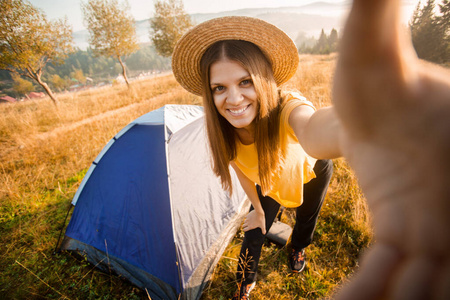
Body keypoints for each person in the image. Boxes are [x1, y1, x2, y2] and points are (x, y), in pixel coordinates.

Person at [172, 16, 342, 299]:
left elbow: (312, 131)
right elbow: (240, 168)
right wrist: (257, 209)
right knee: (254, 229)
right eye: (220, 88)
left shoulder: (286, 107)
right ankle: (245, 280)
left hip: (313, 168)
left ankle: (298, 246)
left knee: (306, 217)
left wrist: (359, 121)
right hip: (270, 175)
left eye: (245, 81)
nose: (235, 99)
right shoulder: (224, 130)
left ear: (263, 79)